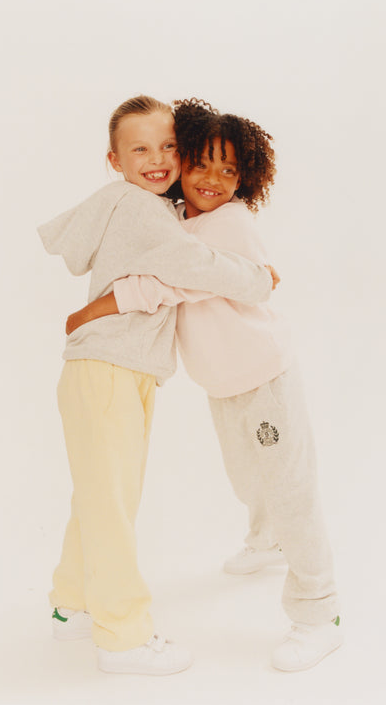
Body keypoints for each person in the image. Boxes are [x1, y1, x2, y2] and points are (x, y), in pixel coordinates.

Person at [65, 98, 342, 672]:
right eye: (201, 164)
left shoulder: (230, 221)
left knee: (290, 488)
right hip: (223, 382)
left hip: (263, 377)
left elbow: (177, 284)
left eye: (229, 170)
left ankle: (319, 612)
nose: (213, 179)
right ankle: (266, 538)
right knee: (248, 476)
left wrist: (98, 308)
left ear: (245, 179)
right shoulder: (176, 221)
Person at [38, 95, 276, 676]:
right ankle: (122, 638)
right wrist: (258, 278)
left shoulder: (148, 208)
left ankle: (73, 604)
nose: (158, 160)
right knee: (112, 505)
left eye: (169, 146)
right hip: (109, 371)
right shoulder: (139, 208)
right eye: (140, 149)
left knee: (101, 496)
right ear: (115, 161)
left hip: (118, 371)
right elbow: (195, 265)